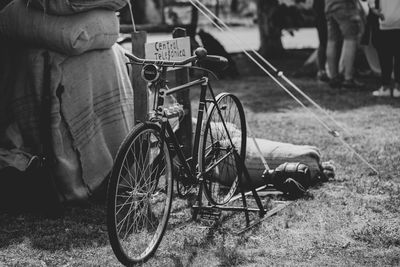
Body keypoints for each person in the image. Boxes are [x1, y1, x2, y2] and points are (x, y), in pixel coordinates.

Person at [325, 0, 364, 88]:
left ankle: (333, 77)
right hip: (345, 6)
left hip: (329, 6)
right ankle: (348, 78)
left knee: (332, 40)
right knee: (351, 39)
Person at [368, 0, 400, 97]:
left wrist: (374, 9)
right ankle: (397, 87)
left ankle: (386, 86)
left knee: (385, 56)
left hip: (385, 21)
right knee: (398, 56)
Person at [313, 0, 329, 82]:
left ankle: (323, 70)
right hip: (322, 12)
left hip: (322, 10)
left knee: (324, 42)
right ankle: (322, 70)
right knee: (324, 42)